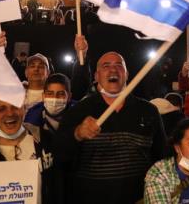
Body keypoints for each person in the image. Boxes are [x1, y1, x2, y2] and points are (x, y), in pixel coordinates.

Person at [56, 48, 166, 204]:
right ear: (96, 76)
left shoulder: (149, 111)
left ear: (127, 74)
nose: (113, 69)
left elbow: (161, 158)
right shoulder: (78, 110)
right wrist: (77, 134)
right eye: (106, 66)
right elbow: (60, 156)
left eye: (119, 65)